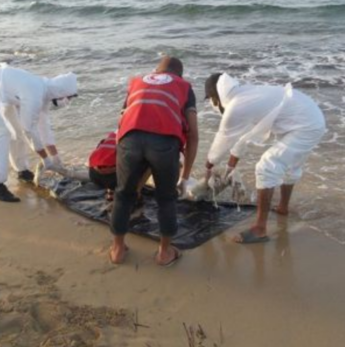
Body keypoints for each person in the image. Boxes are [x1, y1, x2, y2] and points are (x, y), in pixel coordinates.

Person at [204, 73, 326, 243]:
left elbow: (222, 140)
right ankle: (283, 208)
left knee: (266, 167)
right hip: (308, 118)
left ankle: (260, 229)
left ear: (215, 96)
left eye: (211, 99)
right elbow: (243, 137)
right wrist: (230, 167)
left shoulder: (236, 106)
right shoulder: (244, 95)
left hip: (306, 125)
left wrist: (209, 165)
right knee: (290, 166)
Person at [109, 56, 199, 266]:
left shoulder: (137, 82)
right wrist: (185, 177)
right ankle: (164, 253)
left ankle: (118, 250)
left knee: (123, 195)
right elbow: (193, 134)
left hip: (129, 139)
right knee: (166, 198)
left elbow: (121, 121)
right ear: (179, 75)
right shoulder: (184, 86)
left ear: (156, 71)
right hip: (164, 142)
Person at [0, 64, 78, 203]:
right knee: (0, 133)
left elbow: (44, 128)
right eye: (69, 98)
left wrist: (56, 159)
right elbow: (29, 130)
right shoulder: (35, 93)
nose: (68, 101)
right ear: (61, 93)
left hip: (4, 92)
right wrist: (46, 159)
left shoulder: (45, 92)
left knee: (16, 130)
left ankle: (22, 171)